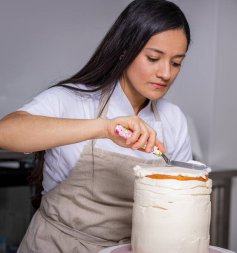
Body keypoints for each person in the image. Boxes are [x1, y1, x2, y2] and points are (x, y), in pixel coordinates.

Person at [0, 0, 193, 252]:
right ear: (124, 51)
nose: (166, 73)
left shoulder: (173, 119)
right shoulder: (72, 100)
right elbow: (6, 133)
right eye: (153, 58)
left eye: (176, 62)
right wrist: (105, 128)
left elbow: (181, 202)